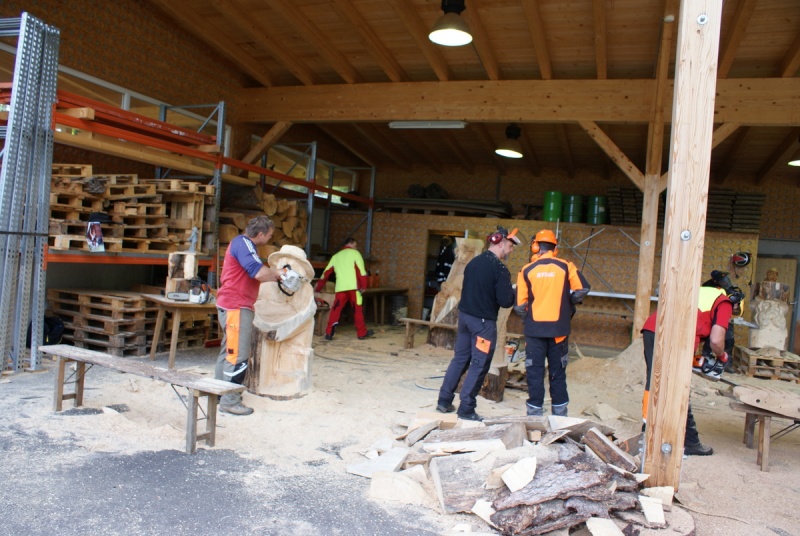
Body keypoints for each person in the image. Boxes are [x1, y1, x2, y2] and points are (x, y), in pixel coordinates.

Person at [436, 226, 520, 421]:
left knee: (460, 359)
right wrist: (515, 291)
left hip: (465, 319)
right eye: (510, 246)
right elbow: (506, 301)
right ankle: (466, 408)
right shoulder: (500, 269)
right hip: (482, 325)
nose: (510, 250)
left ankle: (444, 400)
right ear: (500, 243)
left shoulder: (474, 263)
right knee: (479, 364)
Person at [641, 285, 734, 456]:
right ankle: (690, 442)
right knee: (679, 388)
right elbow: (716, 340)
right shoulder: (725, 302)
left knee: (654, 381)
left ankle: (647, 431)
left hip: (653, 328)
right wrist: (722, 356)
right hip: (675, 334)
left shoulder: (704, 292)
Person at [514, 229, 590, 417]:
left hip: (534, 332)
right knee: (558, 373)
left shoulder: (526, 270)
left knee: (534, 373)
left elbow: (519, 305)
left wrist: (529, 318)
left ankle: (534, 415)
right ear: (555, 248)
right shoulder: (566, 266)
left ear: (535, 246)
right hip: (559, 331)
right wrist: (568, 302)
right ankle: (559, 416)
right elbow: (582, 289)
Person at [215, 215, 283, 415]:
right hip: (236, 305)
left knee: (228, 352)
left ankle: (218, 391)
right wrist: (278, 273)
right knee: (238, 355)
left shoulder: (242, 244)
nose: (269, 238)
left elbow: (255, 273)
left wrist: (273, 274)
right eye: (269, 235)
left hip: (232, 304)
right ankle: (230, 401)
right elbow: (258, 272)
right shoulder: (244, 244)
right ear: (260, 234)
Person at [314, 237, 374, 341]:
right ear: (350, 243)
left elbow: (326, 273)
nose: (356, 248)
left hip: (340, 288)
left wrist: (318, 287)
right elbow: (362, 271)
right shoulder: (356, 254)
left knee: (335, 310)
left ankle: (329, 333)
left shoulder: (336, 256)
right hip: (354, 288)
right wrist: (364, 286)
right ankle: (361, 333)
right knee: (357, 311)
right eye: (355, 245)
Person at [700, 270, 742, 373]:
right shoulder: (707, 287)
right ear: (715, 280)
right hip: (709, 315)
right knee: (712, 336)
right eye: (723, 280)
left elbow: (735, 308)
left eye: (726, 279)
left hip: (722, 315)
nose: (725, 282)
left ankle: (726, 363)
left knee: (729, 338)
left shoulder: (729, 290)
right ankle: (706, 358)